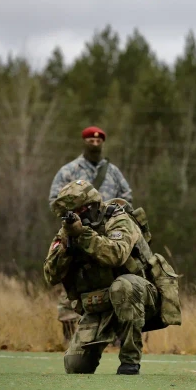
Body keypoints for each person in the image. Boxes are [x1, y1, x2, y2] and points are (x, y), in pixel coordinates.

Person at [43, 180, 180, 375]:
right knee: (75, 366)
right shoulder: (68, 231)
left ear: (91, 206)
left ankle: (130, 362)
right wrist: (67, 247)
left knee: (123, 286)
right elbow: (50, 275)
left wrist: (83, 235)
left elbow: (116, 254)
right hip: (101, 303)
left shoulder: (119, 219)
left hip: (139, 297)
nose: (76, 218)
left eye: (79, 211)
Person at [48, 126, 133, 341]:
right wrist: (72, 224)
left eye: (98, 142)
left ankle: (120, 337)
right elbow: (54, 200)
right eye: (90, 141)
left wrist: (113, 216)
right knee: (72, 278)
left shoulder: (112, 172)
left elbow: (127, 197)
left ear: (102, 144)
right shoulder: (69, 171)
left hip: (108, 233)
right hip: (77, 233)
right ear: (84, 142)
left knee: (119, 278)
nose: (94, 144)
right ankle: (71, 340)